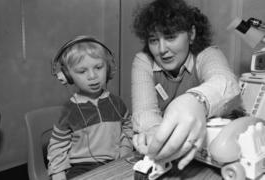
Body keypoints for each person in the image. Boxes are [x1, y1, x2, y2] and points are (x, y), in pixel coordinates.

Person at [131, 0, 241, 171]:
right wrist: (154, 131)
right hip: (167, 157)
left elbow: (226, 82)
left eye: (170, 37)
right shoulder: (144, 60)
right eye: (153, 40)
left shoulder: (207, 54)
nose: (161, 49)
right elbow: (144, 111)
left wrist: (196, 101)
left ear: (191, 34)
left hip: (205, 157)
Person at [47, 36, 133, 180]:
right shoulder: (69, 109)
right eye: (82, 71)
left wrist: (125, 148)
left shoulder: (116, 102)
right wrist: (57, 172)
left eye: (98, 68)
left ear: (109, 68)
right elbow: (57, 145)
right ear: (67, 76)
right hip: (82, 167)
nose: (93, 76)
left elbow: (128, 126)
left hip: (115, 161)